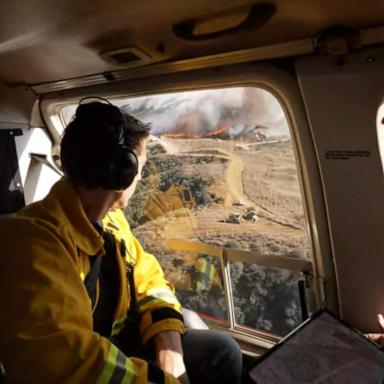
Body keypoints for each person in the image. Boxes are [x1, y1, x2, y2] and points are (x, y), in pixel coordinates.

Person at [0, 100, 242, 383]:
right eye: (140, 167)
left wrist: (168, 343)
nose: (141, 176)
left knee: (223, 351)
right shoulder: (32, 243)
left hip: (115, 343)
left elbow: (150, 279)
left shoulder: (112, 222)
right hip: (86, 366)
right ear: (121, 171)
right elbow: (69, 362)